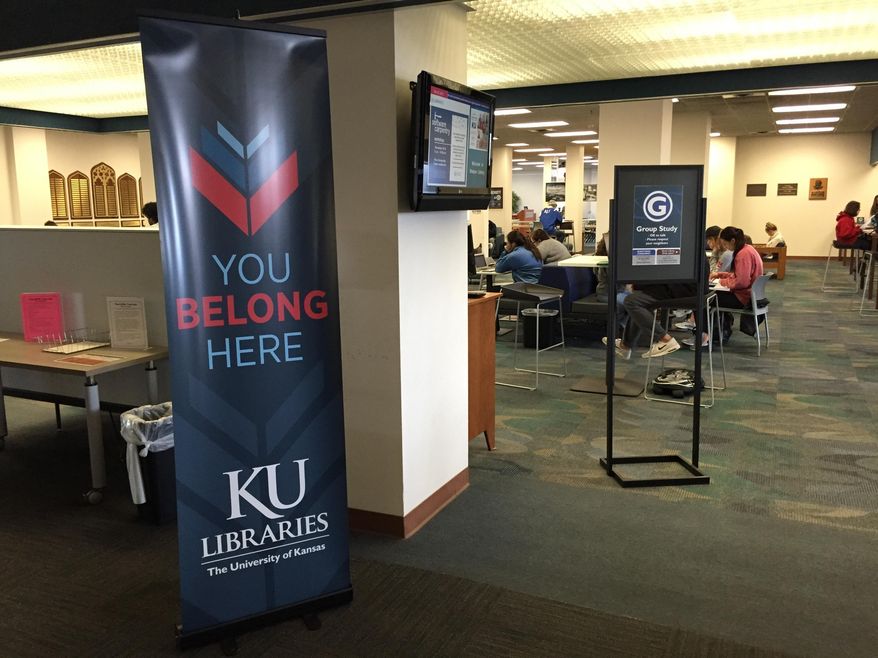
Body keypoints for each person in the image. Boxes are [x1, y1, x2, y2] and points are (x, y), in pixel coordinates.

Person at [711, 226, 764, 340]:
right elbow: (741, 276)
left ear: (733, 241)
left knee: (709, 299)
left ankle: (710, 335)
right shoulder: (749, 248)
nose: (725, 247)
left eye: (725, 244)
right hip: (752, 296)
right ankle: (723, 330)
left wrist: (722, 281)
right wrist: (721, 275)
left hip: (743, 298)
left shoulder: (742, 254)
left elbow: (742, 282)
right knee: (717, 296)